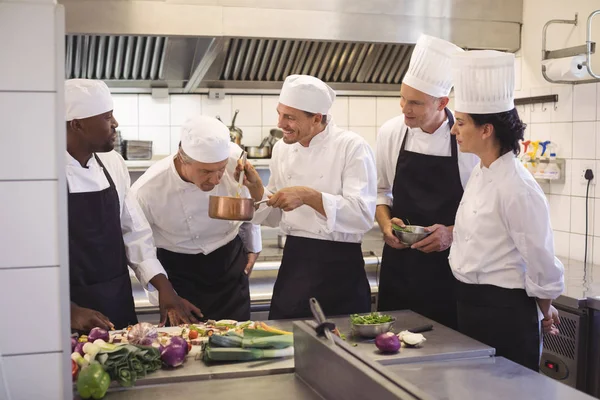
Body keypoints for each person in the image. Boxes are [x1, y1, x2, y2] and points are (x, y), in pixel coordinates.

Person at [448, 49, 564, 371]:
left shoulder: (517, 187)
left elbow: (539, 258)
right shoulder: (480, 171)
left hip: (503, 315)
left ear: (486, 130)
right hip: (468, 306)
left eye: (460, 123)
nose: (454, 130)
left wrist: (546, 307)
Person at [236, 74, 377, 320]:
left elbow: (362, 215)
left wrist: (308, 196)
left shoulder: (352, 147)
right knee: (286, 346)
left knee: (345, 350)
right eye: (280, 114)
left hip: (340, 269)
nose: (281, 123)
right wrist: (257, 188)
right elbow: (274, 215)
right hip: (295, 264)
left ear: (317, 118)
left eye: (290, 117)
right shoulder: (282, 149)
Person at [66, 79, 201, 331]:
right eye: (107, 117)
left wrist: (165, 288)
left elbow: (134, 232)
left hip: (115, 299)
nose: (115, 123)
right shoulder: (41, 174)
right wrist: (67, 311)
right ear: (77, 125)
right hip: (64, 307)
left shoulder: (113, 163)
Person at [375, 34, 479, 329]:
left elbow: (483, 214)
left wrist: (449, 233)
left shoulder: (466, 142)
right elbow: (381, 193)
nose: (404, 108)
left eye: (416, 103)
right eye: (403, 98)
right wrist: (385, 225)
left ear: (442, 102)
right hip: (400, 265)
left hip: (449, 268)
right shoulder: (391, 132)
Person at [130, 115, 261, 321]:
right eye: (206, 172)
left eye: (221, 169)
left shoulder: (237, 161)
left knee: (238, 342)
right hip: (180, 274)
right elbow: (139, 246)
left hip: (229, 264)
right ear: (183, 158)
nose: (216, 179)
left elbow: (247, 202)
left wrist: (253, 245)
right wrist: (164, 292)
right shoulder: (147, 190)